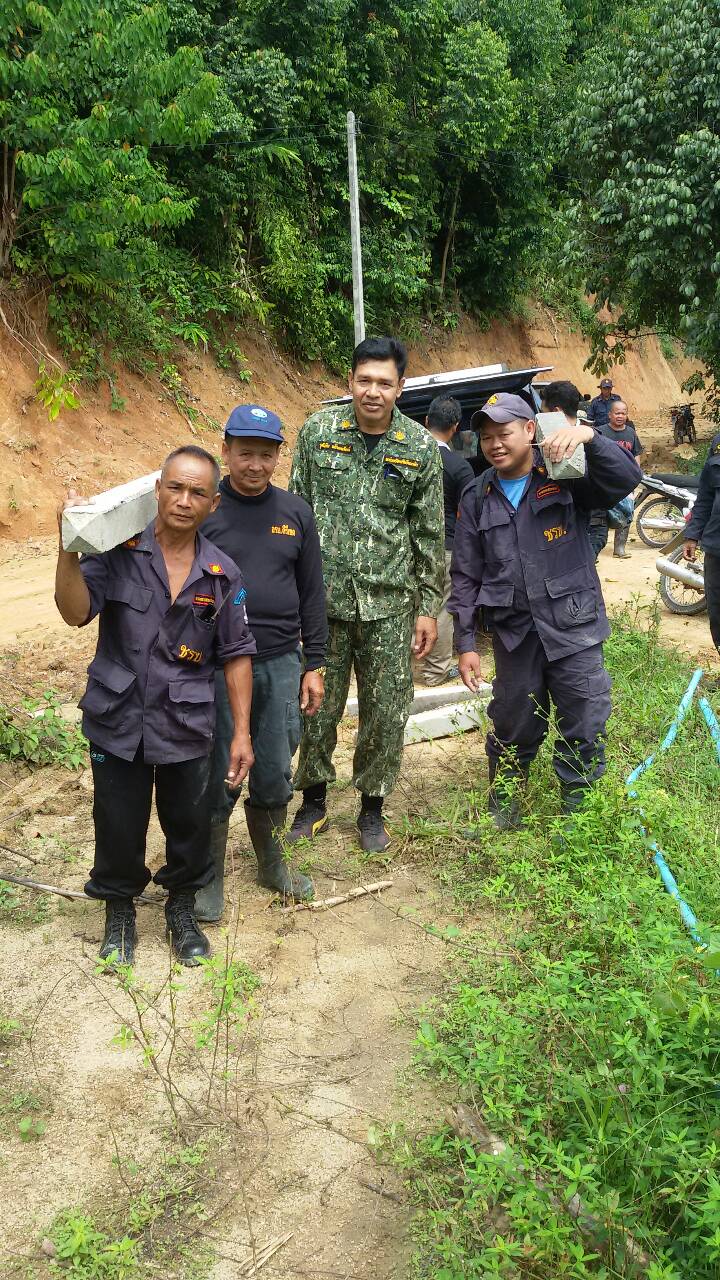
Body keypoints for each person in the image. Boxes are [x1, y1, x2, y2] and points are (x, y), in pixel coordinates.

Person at [55, 446, 256, 967]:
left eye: (197, 492)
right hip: (117, 717)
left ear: (213, 503)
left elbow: (236, 655)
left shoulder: (221, 574)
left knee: (189, 822)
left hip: (185, 723)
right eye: (176, 487)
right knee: (117, 821)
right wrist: (68, 548)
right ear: (158, 491)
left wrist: (241, 733)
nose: (184, 500)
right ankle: (119, 912)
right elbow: (74, 611)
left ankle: (181, 909)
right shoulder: (117, 552)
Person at [448, 392, 642, 829]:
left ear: (530, 430)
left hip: (573, 625)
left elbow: (626, 478)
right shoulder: (477, 494)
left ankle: (578, 812)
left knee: (584, 717)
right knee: (512, 720)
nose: (495, 444)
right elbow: (465, 573)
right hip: (515, 632)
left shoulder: (564, 471)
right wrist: (465, 642)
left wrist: (590, 437)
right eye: (486, 437)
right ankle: (505, 804)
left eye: (504, 433)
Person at [288, 335, 445, 853]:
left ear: (401, 387)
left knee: (386, 710)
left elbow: (429, 533)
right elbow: (296, 515)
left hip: (391, 606)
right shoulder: (318, 433)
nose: (373, 391)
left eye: (384, 382)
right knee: (317, 706)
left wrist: (428, 608)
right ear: (350, 381)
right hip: (324, 604)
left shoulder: (419, 447)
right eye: (364, 380)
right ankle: (313, 801)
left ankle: (372, 808)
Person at [196, 404, 328, 919]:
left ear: (278, 456)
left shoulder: (295, 512)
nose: (255, 464)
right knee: (217, 772)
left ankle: (272, 865)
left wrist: (314, 663)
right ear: (225, 452)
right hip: (214, 666)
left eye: (266, 455)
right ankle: (208, 877)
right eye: (245, 453)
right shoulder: (205, 509)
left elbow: (312, 593)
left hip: (279, 661)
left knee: (274, 769)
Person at [421, 395, 474, 687]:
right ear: (455, 427)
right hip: (445, 546)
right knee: (440, 607)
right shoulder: (459, 466)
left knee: (408, 604)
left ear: (426, 421)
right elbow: (468, 512)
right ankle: (434, 672)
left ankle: (404, 669)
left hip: (405, 547)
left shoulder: (408, 458)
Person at [586, 400, 643, 559]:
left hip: (624, 483)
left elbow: (636, 454)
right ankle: (594, 548)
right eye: (617, 413)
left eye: (623, 413)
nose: (620, 416)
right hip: (604, 481)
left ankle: (619, 548)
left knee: (626, 512)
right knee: (600, 514)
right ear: (609, 414)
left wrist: (635, 473)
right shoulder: (600, 432)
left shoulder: (631, 433)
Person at [683, 431, 720, 658]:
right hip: (717, 546)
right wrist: (692, 535)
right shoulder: (718, 442)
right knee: (717, 611)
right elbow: (706, 495)